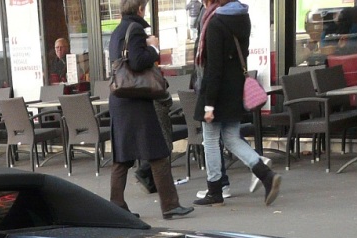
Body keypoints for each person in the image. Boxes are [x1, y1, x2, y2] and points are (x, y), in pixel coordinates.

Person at [107, 0, 192, 219]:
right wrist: (153, 47)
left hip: (121, 100)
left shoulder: (117, 31)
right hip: (136, 101)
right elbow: (136, 62)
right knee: (158, 152)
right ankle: (170, 206)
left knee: (122, 157)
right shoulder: (135, 30)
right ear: (140, 9)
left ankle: (116, 207)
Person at [193, 0, 281, 206]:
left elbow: (214, 67)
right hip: (235, 89)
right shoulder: (242, 17)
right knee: (232, 138)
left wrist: (209, 104)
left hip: (217, 91)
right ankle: (266, 175)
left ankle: (215, 190)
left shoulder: (215, 24)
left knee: (211, 141)